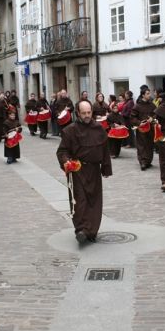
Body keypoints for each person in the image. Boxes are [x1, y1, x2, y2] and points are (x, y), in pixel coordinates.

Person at [56, 100, 112, 244]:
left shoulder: (99, 129)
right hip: (77, 170)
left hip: (93, 170)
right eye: (84, 113)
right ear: (78, 113)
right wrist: (66, 161)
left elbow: (105, 149)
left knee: (94, 202)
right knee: (79, 201)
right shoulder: (70, 130)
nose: (87, 116)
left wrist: (106, 167)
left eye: (89, 112)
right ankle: (81, 230)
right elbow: (62, 151)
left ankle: (91, 231)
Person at [130, 87, 156, 170]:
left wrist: (152, 118)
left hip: (150, 128)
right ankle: (143, 162)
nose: (149, 95)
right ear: (143, 95)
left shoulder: (152, 105)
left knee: (149, 145)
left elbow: (156, 114)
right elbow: (132, 117)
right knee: (141, 145)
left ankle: (148, 161)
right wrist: (139, 123)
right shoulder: (137, 106)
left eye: (149, 93)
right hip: (141, 129)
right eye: (147, 94)